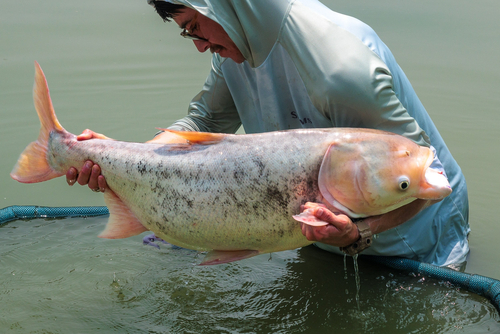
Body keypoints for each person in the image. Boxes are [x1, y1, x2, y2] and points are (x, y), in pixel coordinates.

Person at [66, 0, 470, 268]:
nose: (199, 46)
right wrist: (119, 159)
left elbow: (422, 179)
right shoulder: (238, 45)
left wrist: (361, 232)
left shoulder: (340, 69)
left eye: (193, 27)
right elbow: (203, 121)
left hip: (417, 241)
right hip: (318, 232)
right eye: (187, 33)